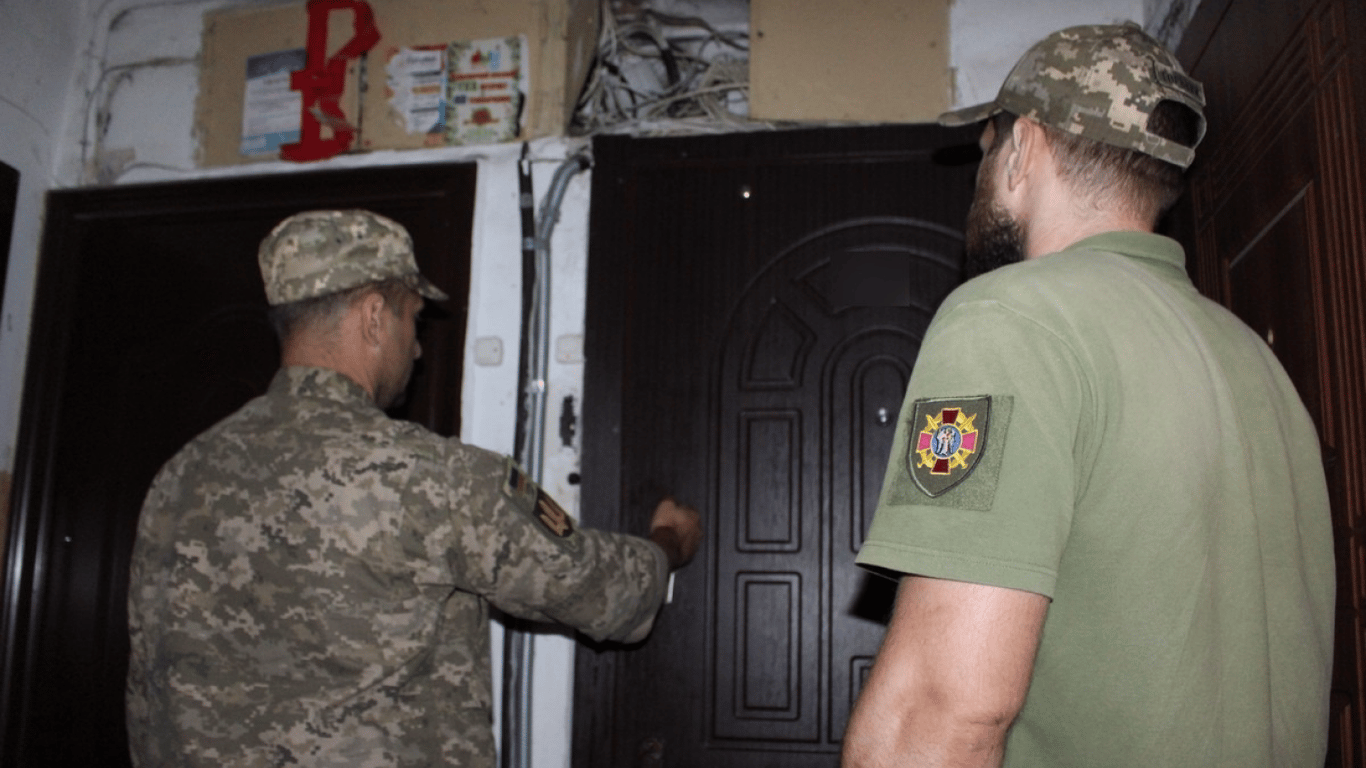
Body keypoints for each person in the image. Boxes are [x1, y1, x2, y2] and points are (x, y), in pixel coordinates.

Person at [842, 23, 1333, 768]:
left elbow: (941, 714)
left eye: (987, 149)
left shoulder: (1009, 318)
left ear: (1024, 149)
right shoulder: (1261, 368)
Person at [125, 209, 703, 767]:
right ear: (374, 316)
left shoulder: (180, 476)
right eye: (414, 319)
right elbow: (602, 590)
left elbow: (148, 692)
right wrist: (668, 543)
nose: (419, 346)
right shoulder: (429, 475)